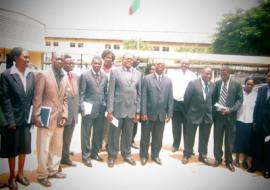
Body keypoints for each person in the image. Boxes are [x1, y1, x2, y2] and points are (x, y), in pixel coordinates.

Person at [0, 47, 35, 190]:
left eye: (28, 57)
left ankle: (20, 174)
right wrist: (10, 120)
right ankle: (12, 177)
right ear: (16, 58)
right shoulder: (7, 75)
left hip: (26, 120)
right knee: (12, 150)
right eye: (25, 57)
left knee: (23, 148)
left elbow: (32, 98)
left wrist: (33, 116)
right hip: (13, 120)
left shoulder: (31, 74)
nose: (28, 60)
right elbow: (4, 99)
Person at [33, 52, 68, 187]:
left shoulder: (64, 76)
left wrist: (64, 115)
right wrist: (36, 116)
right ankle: (42, 175)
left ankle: (53, 170)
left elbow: (65, 98)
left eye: (61, 59)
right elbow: (38, 97)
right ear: (51, 60)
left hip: (59, 118)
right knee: (43, 147)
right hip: (45, 117)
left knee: (57, 146)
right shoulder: (43, 74)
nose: (60, 61)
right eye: (57, 58)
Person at [106, 52, 141, 167]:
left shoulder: (138, 73)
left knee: (128, 134)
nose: (129, 61)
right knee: (114, 134)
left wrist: (138, 111)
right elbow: (110, 92)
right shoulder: (115, 72)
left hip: (131, 110)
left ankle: (127, 154)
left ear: (133, 61)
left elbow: (139, 94)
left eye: (131, 59)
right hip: (117, 110)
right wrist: (110, 110)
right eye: (127, 59)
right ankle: (112, 155)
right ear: (122, 60)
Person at [140, 62, 173, 165]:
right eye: (158, 65)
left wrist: (170, 114)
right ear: (155, 67)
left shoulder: (168, 80)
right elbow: (143, 96)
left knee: (158, 137)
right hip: (148, 114)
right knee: (145, 137)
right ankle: (144, 155)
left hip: (161, 114)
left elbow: (170, 98)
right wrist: (143, 112)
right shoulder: (147, 78)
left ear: (164, 68)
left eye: (162, 65)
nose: (160, 67)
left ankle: (155, 155)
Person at [182, 67, 214, 166]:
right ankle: (187, 154)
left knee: (204, 137)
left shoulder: (213, 85)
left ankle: (202, 155)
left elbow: (214, 99)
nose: (208, 76)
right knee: (190, 136)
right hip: (193, 114)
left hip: (207, 116)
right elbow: (186, 99)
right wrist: (189, 112)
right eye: (206, 73)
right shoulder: (193, 83)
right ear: (201, 73)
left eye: (210, 74)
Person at [213, 66, 243, 172]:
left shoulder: (237, 84)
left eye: (224, 73)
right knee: (217, 139)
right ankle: (218, 159)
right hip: (218, 117)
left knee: (229, 141)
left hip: (230, 117)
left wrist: (231, 110)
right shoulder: (216, 84)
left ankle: (229, 161)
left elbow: (240, 100)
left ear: (229, 73)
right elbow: (213, 99)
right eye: (221, 73)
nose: (222, 75)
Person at [79, 56, 108, 167]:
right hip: (88, 109)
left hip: (100, 110)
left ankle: (94, 153)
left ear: (101, 65)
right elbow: (81, 93)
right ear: (91, 63)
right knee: (86, 134)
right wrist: (82, 108)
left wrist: (105, 105)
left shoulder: (105, 77)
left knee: (97, 133)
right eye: (95, 63)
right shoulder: (85, 75)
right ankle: (86, 156)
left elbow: (105, 93)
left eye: (99, 64)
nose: (97, 65)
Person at [168, 59, 197, 152]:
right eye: (183, 63)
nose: (184, 65)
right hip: (176, 103)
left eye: (186, 63)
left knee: (187, 127)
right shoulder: (174, 74)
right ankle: (175, 145)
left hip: (187, 104)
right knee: (176, 126)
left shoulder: (193, 75)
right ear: (180, 64)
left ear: (189, 65)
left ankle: (188, 147)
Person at [248, 71, 270, 179]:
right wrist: (255, 122)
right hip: (259, 124)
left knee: (268, 149)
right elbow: (256, 106)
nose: (269, 78)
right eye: (269, 76)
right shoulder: (262, 89)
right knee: (256, 146)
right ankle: (254, 166)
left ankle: (267, 169)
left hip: (269, 127)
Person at [233, 77, 256, 170]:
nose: (250, 86)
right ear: (245, 84)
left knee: (247, 143)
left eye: (251, 84)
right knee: (238, 141)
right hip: (239, 120)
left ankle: (245, 161)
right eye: (248, 84)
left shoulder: (256, 95)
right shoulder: (240, 94)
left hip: (249, 122)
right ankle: (237, 159)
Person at [60, 54, 79, 167]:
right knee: (58, 140)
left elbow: (76, 95)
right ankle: (56, 162)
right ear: (63, 64)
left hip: (73, 114)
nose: (71, 65)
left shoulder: (76, 76)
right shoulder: (59, 75)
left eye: (72, 63)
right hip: (62, 113)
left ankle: (65, 158)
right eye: (68, 63)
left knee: (67, 139)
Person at [100, 50, 115, 152]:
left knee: (110, 123)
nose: (108, 59)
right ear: (103, 58)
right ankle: (99, 143)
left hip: (112, 100)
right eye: (106, 57)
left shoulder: (116, 70)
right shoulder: (98, 69)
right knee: (100, 123)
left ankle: (108, 143)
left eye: (110, 57)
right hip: (100, 100)